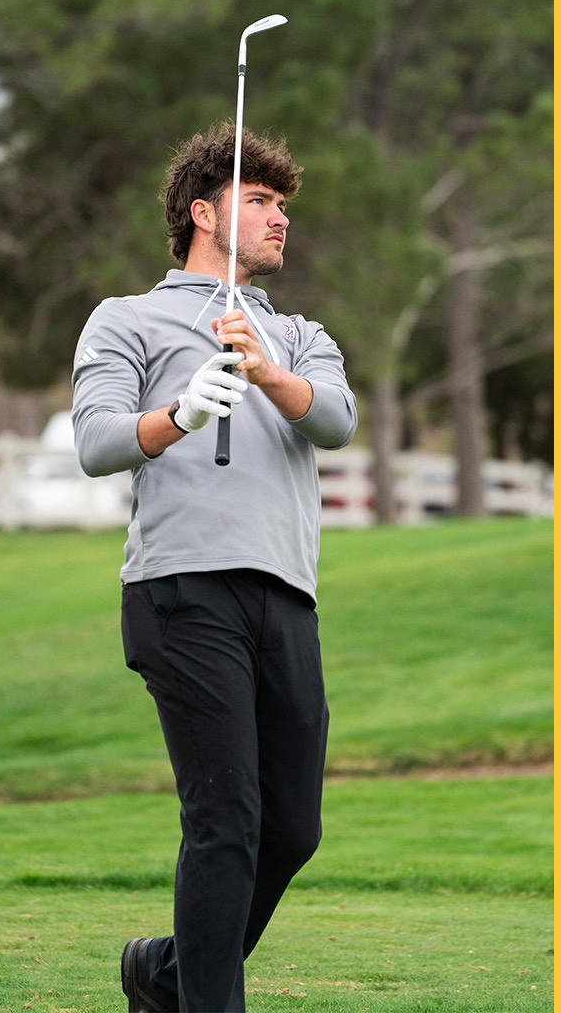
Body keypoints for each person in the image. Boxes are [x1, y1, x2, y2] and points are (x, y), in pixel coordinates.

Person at [72, 123, 357, 1011]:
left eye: (283, 206)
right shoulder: (127, 319)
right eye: (261, 202)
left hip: (286, 596)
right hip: (182, 592)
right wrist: (183, 412)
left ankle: (162, 975)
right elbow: (99, 442)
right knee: (225, 822)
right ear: (204, 212)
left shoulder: (298, 334)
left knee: (291, 829)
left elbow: (337, 420)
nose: (280, 220)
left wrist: (264, 372)